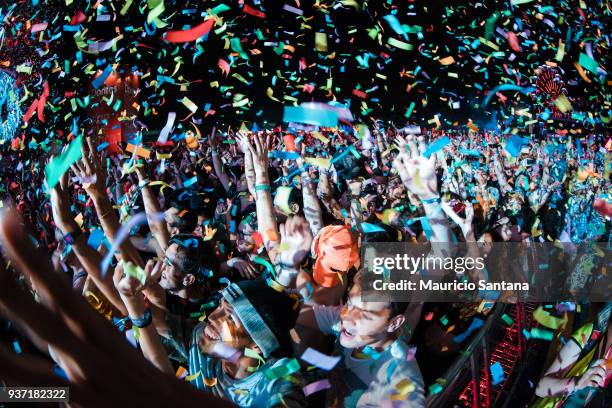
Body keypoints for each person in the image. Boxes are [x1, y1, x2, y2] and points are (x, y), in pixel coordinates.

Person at [296, 271, 426, 407]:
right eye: (350, 304)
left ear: (393, 323)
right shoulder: (345, 325)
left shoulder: (397, 373)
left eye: (366, 315)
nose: (348, 318)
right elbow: (298, 316)